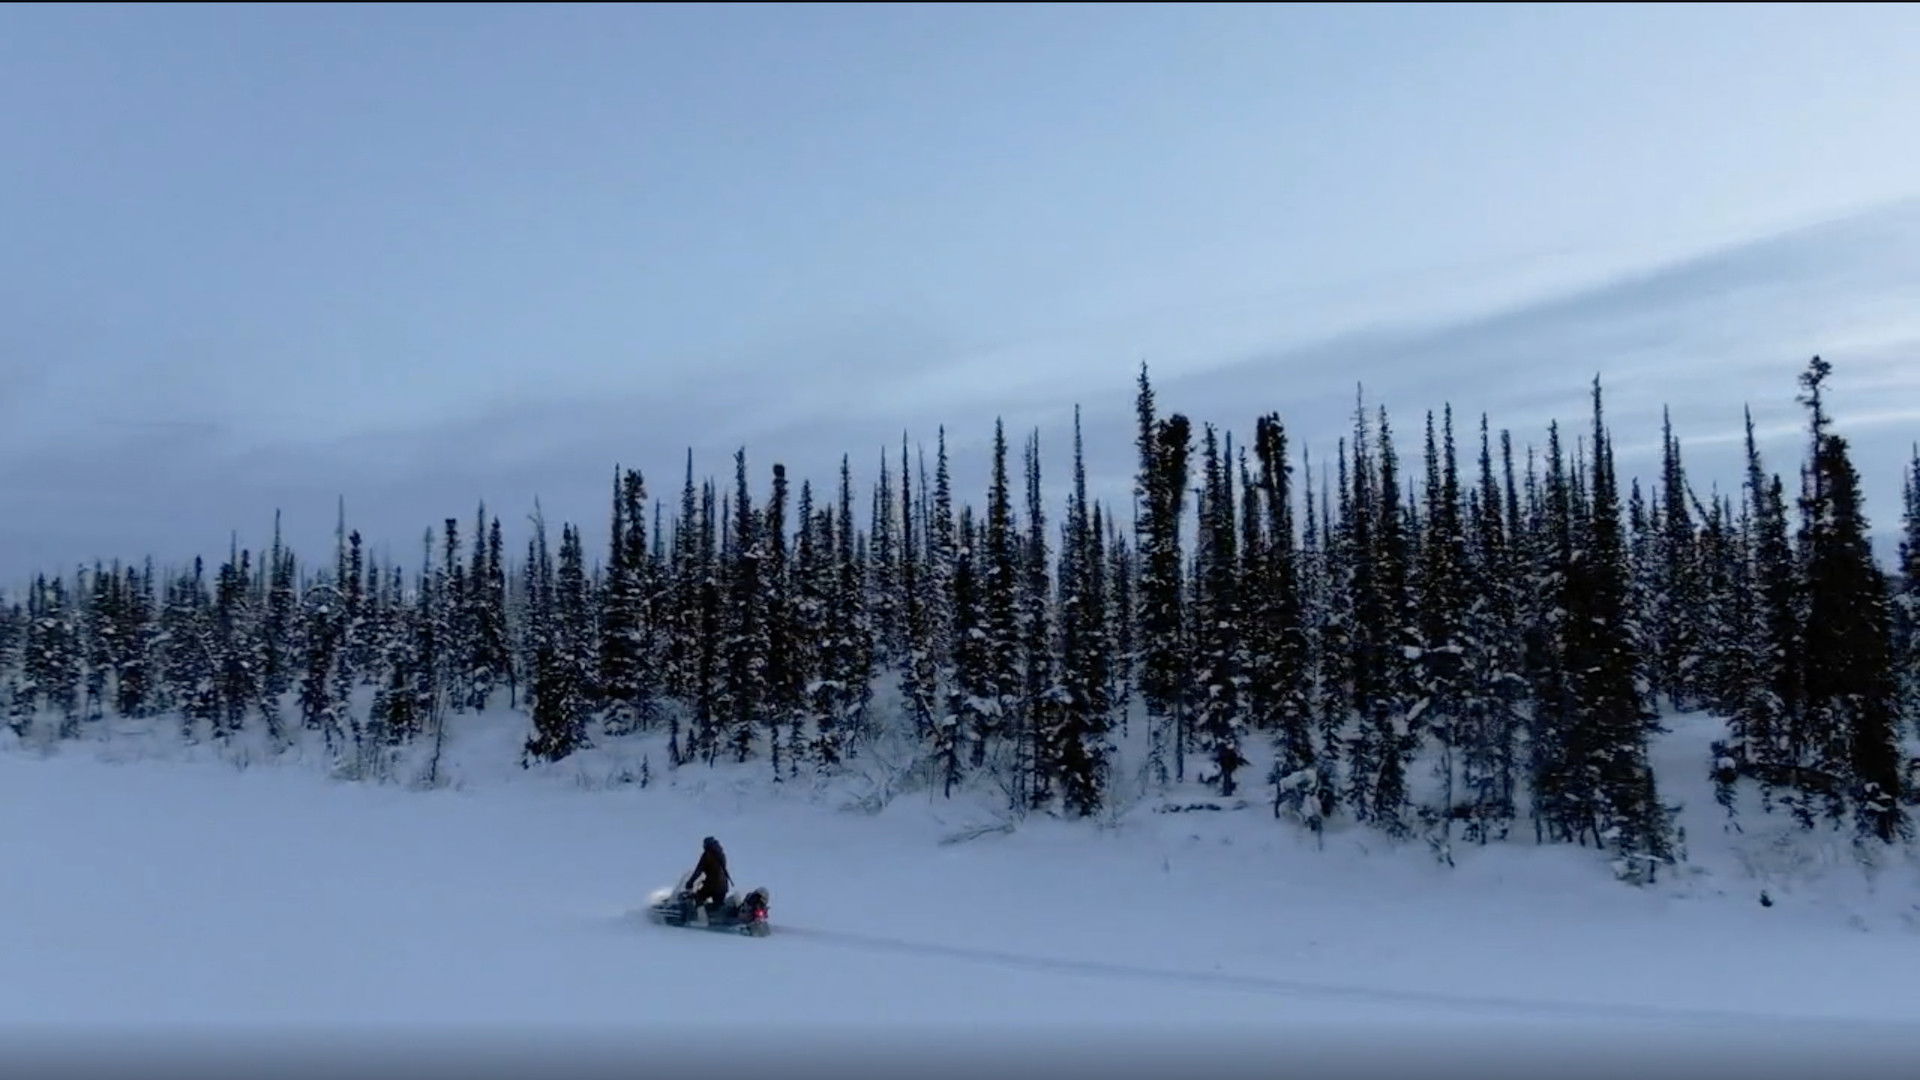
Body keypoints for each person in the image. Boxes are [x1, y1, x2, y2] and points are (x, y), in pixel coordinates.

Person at [684, 836, 730, 926]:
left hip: (712, 885)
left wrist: (690, 882)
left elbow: (698, 870)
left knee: (698, 897)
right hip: (723, 885)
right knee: (718, 905)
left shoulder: (707, 855)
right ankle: (718, 920)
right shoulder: (721, 854)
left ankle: (702, 920)